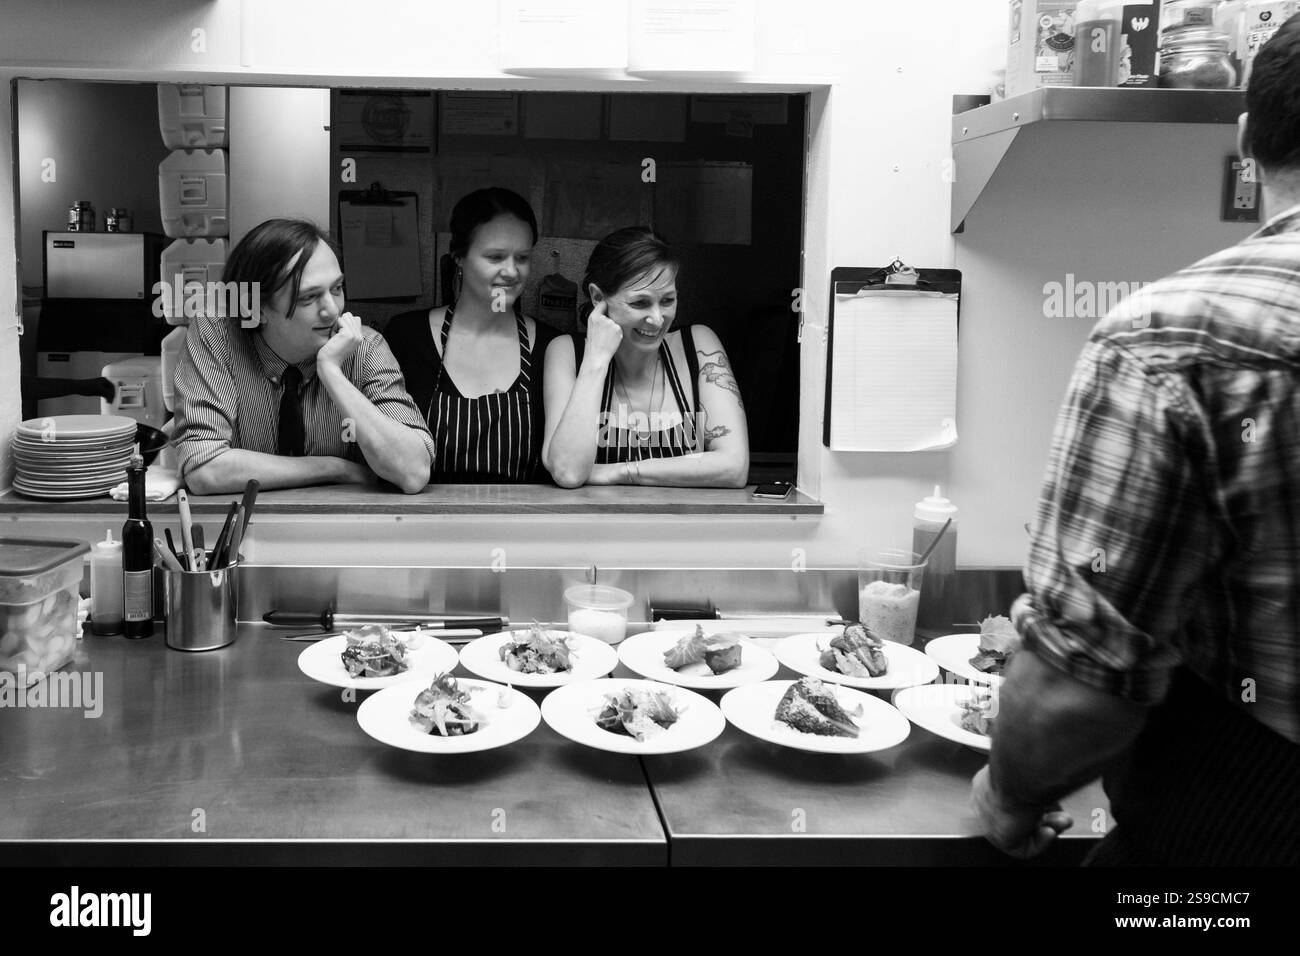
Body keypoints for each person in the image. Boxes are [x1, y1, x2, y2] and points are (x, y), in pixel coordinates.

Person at [972, 15, 1300, 865]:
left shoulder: (1173, 341)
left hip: (1238, 841)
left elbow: (1085, 686)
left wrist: (1010, 795)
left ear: (1244, 138)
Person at [173, 219, 434, 495]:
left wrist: (332, 372)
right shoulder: (217, 336)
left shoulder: (364, 347)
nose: (332, 311)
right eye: (308, 298)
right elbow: (204, 468)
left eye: (337, 289)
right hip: (245, 527)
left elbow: (413, 472)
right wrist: (335, 469)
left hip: (344, 528)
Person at [542, 227, 748, 488]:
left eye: (667, 300)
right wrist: (596, 360)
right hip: (598, 528)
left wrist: (621, 472)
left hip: (685, 527)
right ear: (598, 298)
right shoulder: (567, 352)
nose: (657, 319)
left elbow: (734, 467)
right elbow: (568, 472)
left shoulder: (698, 344)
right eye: (639, 303)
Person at [383, 188, 554, 483]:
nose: (512, 271)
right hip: (423, 524)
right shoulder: (407, 336)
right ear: (459, 257)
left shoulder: (552, 345)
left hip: (524, 524)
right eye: (495, 257)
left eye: (522, 257)